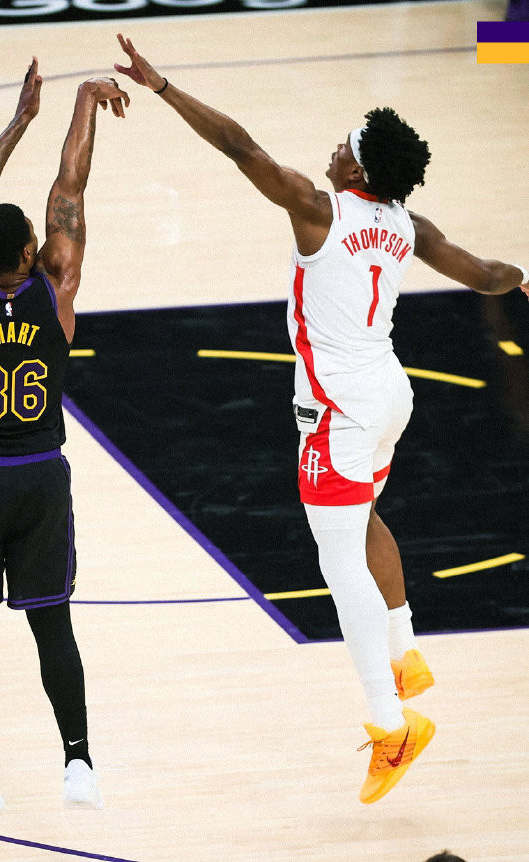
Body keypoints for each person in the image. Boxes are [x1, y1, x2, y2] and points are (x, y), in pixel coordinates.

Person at [113, 34, 529, 805]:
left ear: (357, 171)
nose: (333, 148)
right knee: (364, 521)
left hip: (339, 410)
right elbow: (485, 275)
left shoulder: (318, 209)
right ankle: (404, 653)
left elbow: (240, 147)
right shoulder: (408, 225)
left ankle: (392, 727)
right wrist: (524, 275)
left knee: (340, 569)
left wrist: (164, 87)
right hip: (389, 396)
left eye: (345, 144)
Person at [0, 57, 129, 822]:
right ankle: (79, 763)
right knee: (53, 626)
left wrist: (19, 120)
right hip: (41, 477)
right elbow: (70, 191)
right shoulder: (57, 286)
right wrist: (82, 103)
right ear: (30, 256)